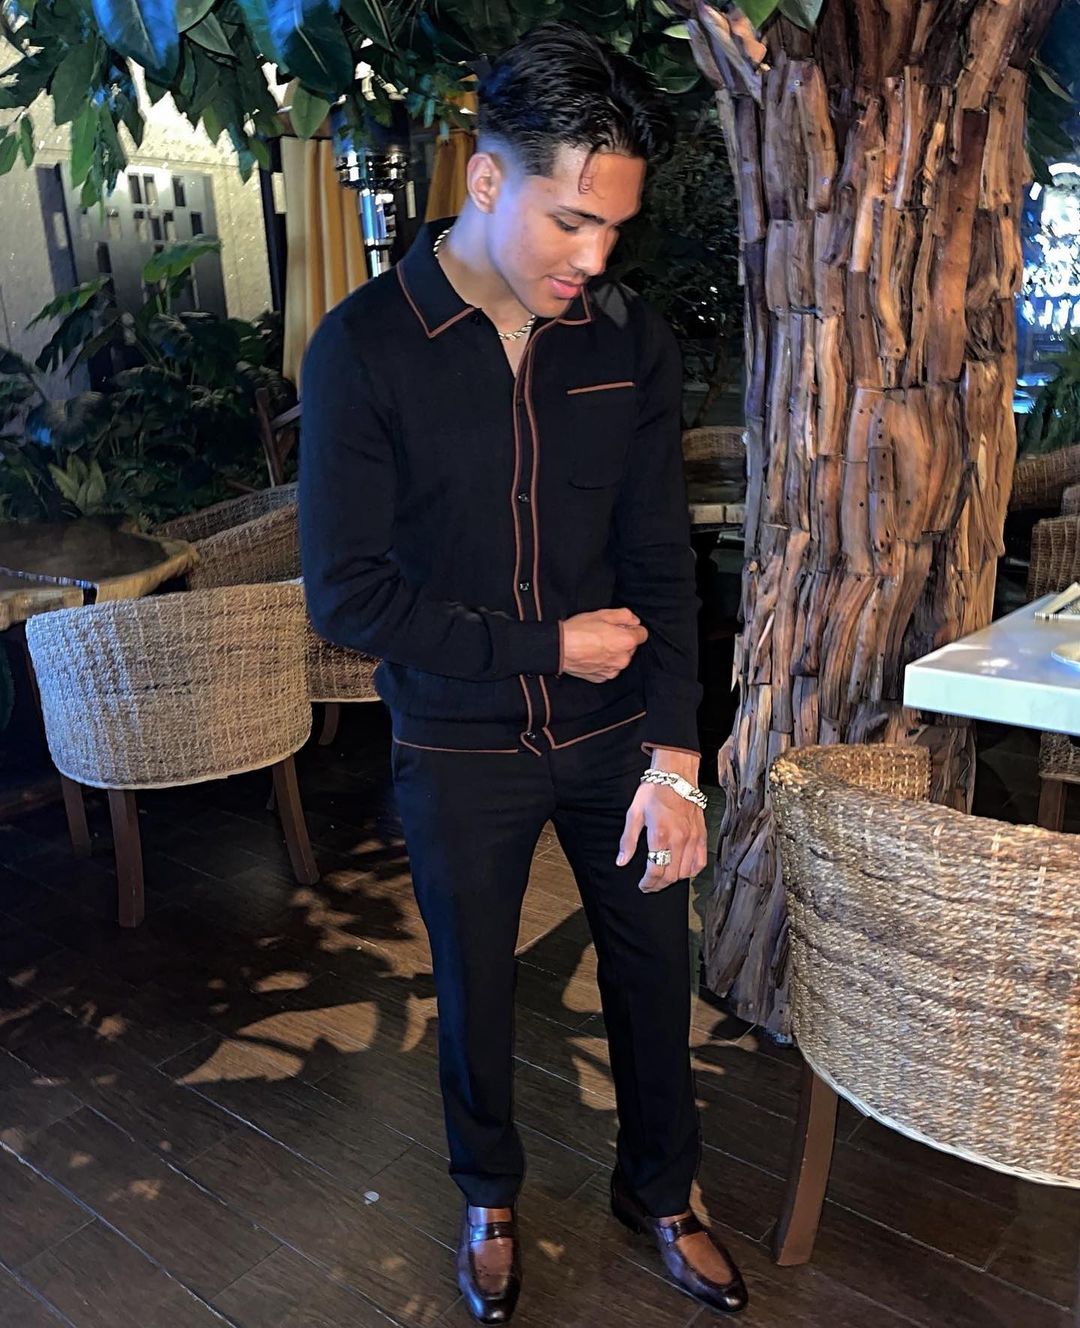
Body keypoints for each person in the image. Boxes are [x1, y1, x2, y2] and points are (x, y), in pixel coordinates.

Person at [300, 20, 748, 1322]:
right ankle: (488, 1195)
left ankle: (662, 1191)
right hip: (455, 737)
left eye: (615, 228)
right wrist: (545, 645)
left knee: (652, 971)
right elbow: (348, 597)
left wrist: (679, 760)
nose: (594, 258)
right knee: (477, 988)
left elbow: (662, 562)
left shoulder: (624, 341)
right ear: (488, 178)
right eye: (571, 221)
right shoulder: (365, 348)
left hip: (617, 736)